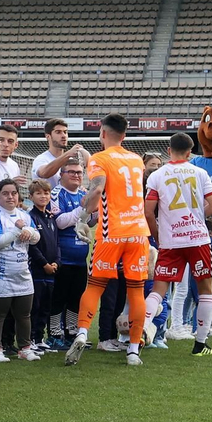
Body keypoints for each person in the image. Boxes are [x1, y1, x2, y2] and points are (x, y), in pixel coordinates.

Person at [65, 114, 149, 367]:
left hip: (112, 232)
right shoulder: (137, 160)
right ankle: (133, 349)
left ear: (102, 133)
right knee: (136, 291)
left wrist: (82, 216)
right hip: (138, 233)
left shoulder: (99, 159)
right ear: (124, 135)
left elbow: (97, 190)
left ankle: (81, 332)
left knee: (95, 285)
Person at [142, 134, 212, 356]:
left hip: (170, 241)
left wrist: (158, 236)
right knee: (206, 291)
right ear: (189, 153)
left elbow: (148, 212)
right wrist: (195, 217)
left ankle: (140, 333)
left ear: (169, 151)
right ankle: (200, 344)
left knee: (159, 290)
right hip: (198, 240)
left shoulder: (157, 175)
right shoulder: (201, 173)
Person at [0, 179, 40, 362]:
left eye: (13, 193)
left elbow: (36, 238)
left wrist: (28, 231)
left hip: (21, 271)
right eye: (5, 193)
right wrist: (17, 231)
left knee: (24, 313)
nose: (10, 197)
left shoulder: (25, 215)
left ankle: (25, 347)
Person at [49, 163, 90, 349]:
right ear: (62, 174)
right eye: (71, 172)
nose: (76, 175)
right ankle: (54, 333)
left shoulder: (83, 194)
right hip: (63, 257)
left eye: (79, 172)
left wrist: (93, 213)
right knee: (59, 297)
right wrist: (83, 210)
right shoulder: (57, 193)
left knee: (76, 297)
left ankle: (71, 332)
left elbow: (89, 220)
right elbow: (60, 221)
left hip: (80, 258)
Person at [25, 179, 59, 350]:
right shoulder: (30, 217)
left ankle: (39, 338)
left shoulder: (51, 218)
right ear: (31, 196)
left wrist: (56, 262)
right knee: (35, 306)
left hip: (51, 271)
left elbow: (56, 243)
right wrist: (44, 264)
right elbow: (32, 246)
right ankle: (30, 339)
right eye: (38, 193)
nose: (43, 196)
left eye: (46, 193)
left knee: (46, 306)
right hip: (37, 271)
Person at [32, 118, 87, 187]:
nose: (63, 136)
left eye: (65, 132)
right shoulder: (41, 159)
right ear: (48, 136)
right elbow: (44, 173)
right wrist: (68, 154)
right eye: (58, 132)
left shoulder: (71, 160)